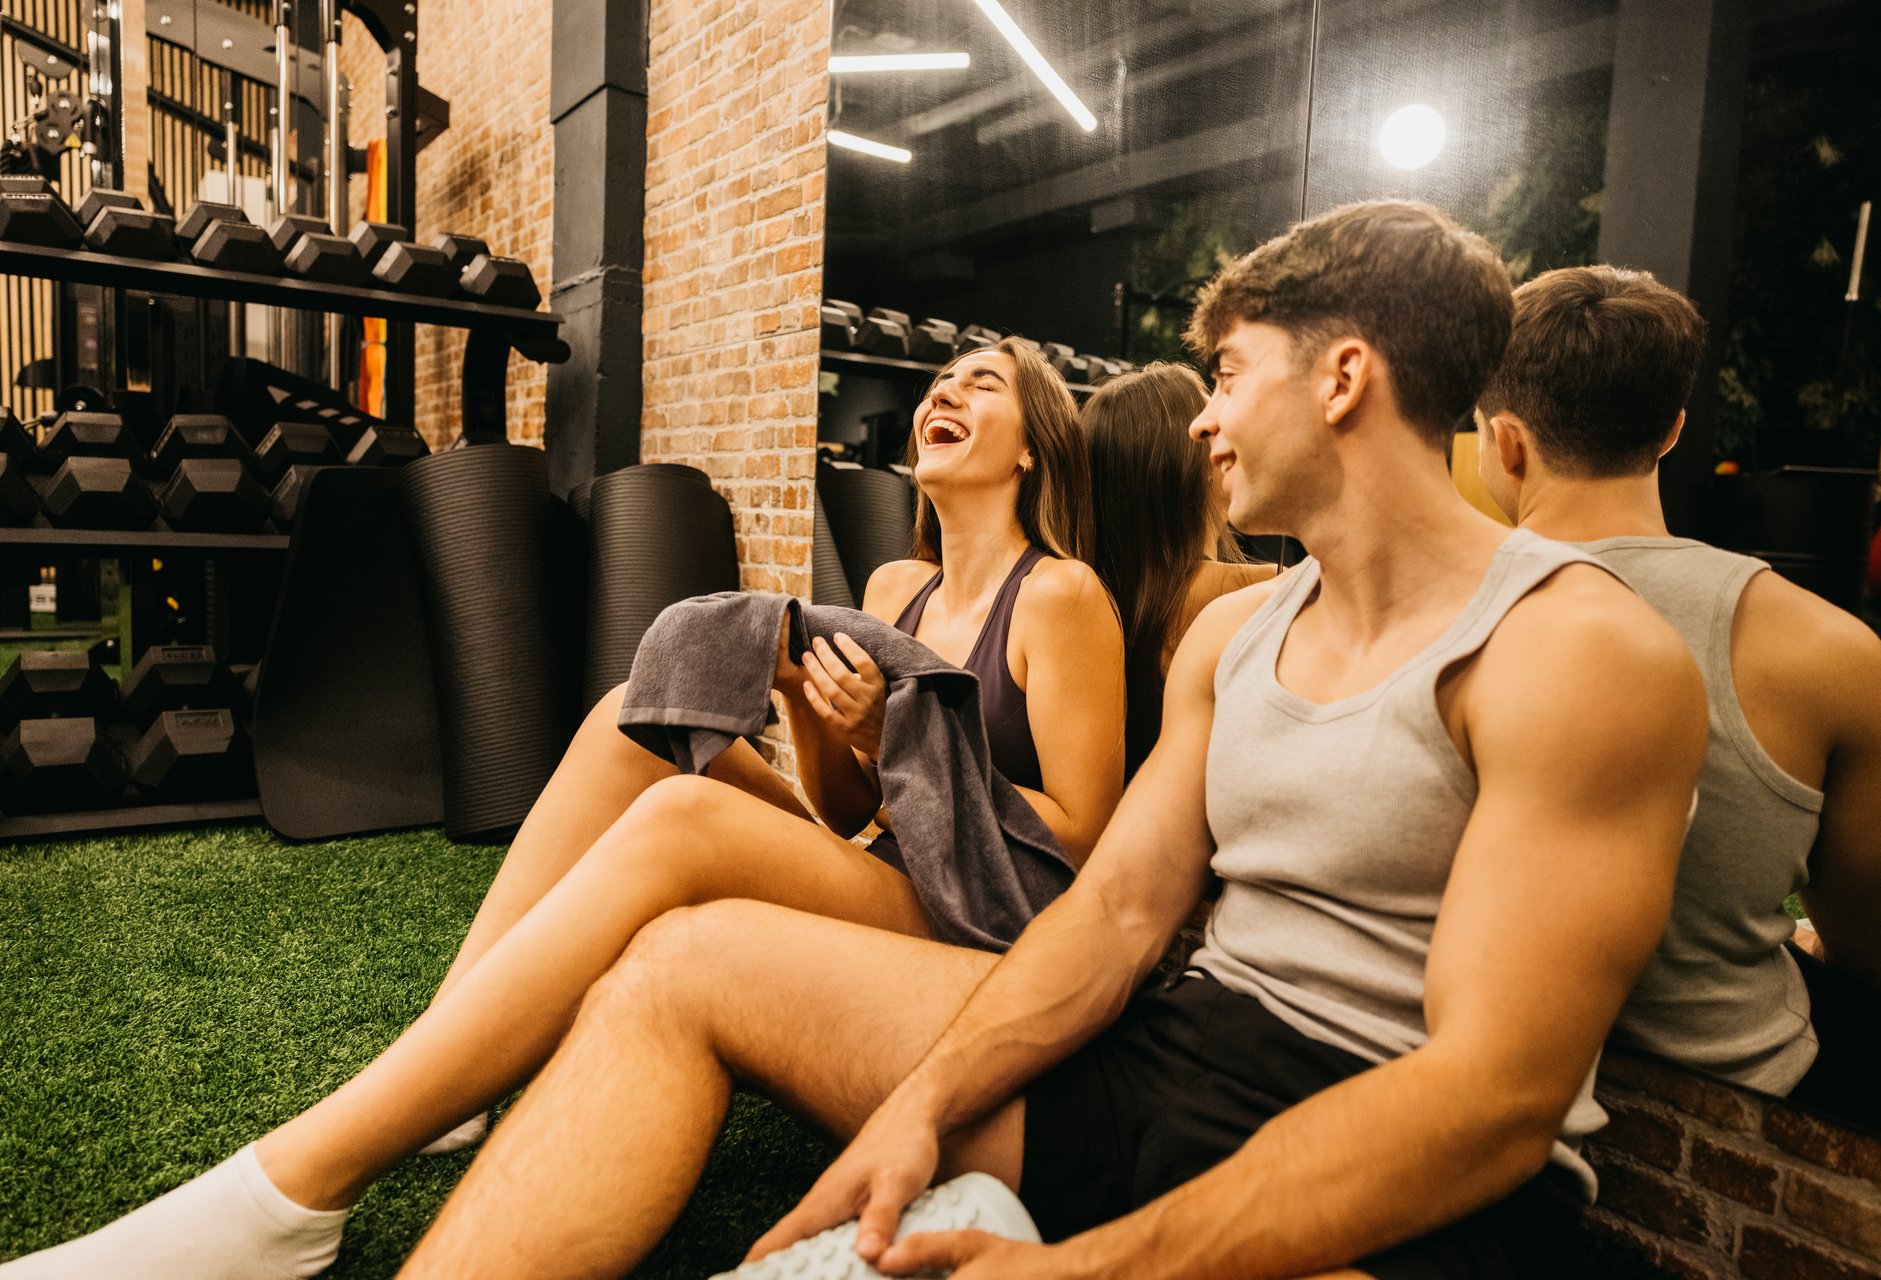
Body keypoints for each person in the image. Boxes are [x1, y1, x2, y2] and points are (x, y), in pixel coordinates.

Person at [376, 199, 1707, 1280]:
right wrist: (923, 1099)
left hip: (1419, 1184)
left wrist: (1094, 1268)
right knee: (683, 962)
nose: (1201, 417)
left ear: (1345, 376)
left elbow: (1491, 1100)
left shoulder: (1578, 651)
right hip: (1179, 1056)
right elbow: (1121, 910)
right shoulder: (1234, 638)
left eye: (1231, 375)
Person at [0, 338, 1128, 1280]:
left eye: (984, 384)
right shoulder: (895, 587)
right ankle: (450, 1063)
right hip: (890, 864)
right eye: (943, 379)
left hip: (974, 925)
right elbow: (847, 811)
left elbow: (1082, 842)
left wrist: (901, 737)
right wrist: (826, 719)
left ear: (1033, 445)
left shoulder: (1064, 597)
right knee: (624, 721)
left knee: (685, 820)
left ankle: (304, 1188)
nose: (945, 391)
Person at [1473, 265, 1881, 1106]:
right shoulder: (1830, 650)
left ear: (1505, 441)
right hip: (1734, 1085)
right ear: (1673, 430)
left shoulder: (1423, 610)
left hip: (1476, 1069)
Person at [1083, 361, 1277, 777]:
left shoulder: (1096, 592)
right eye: (1208, 421)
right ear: (1182, 466)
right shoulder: (1247, 590)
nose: (1224, 428)